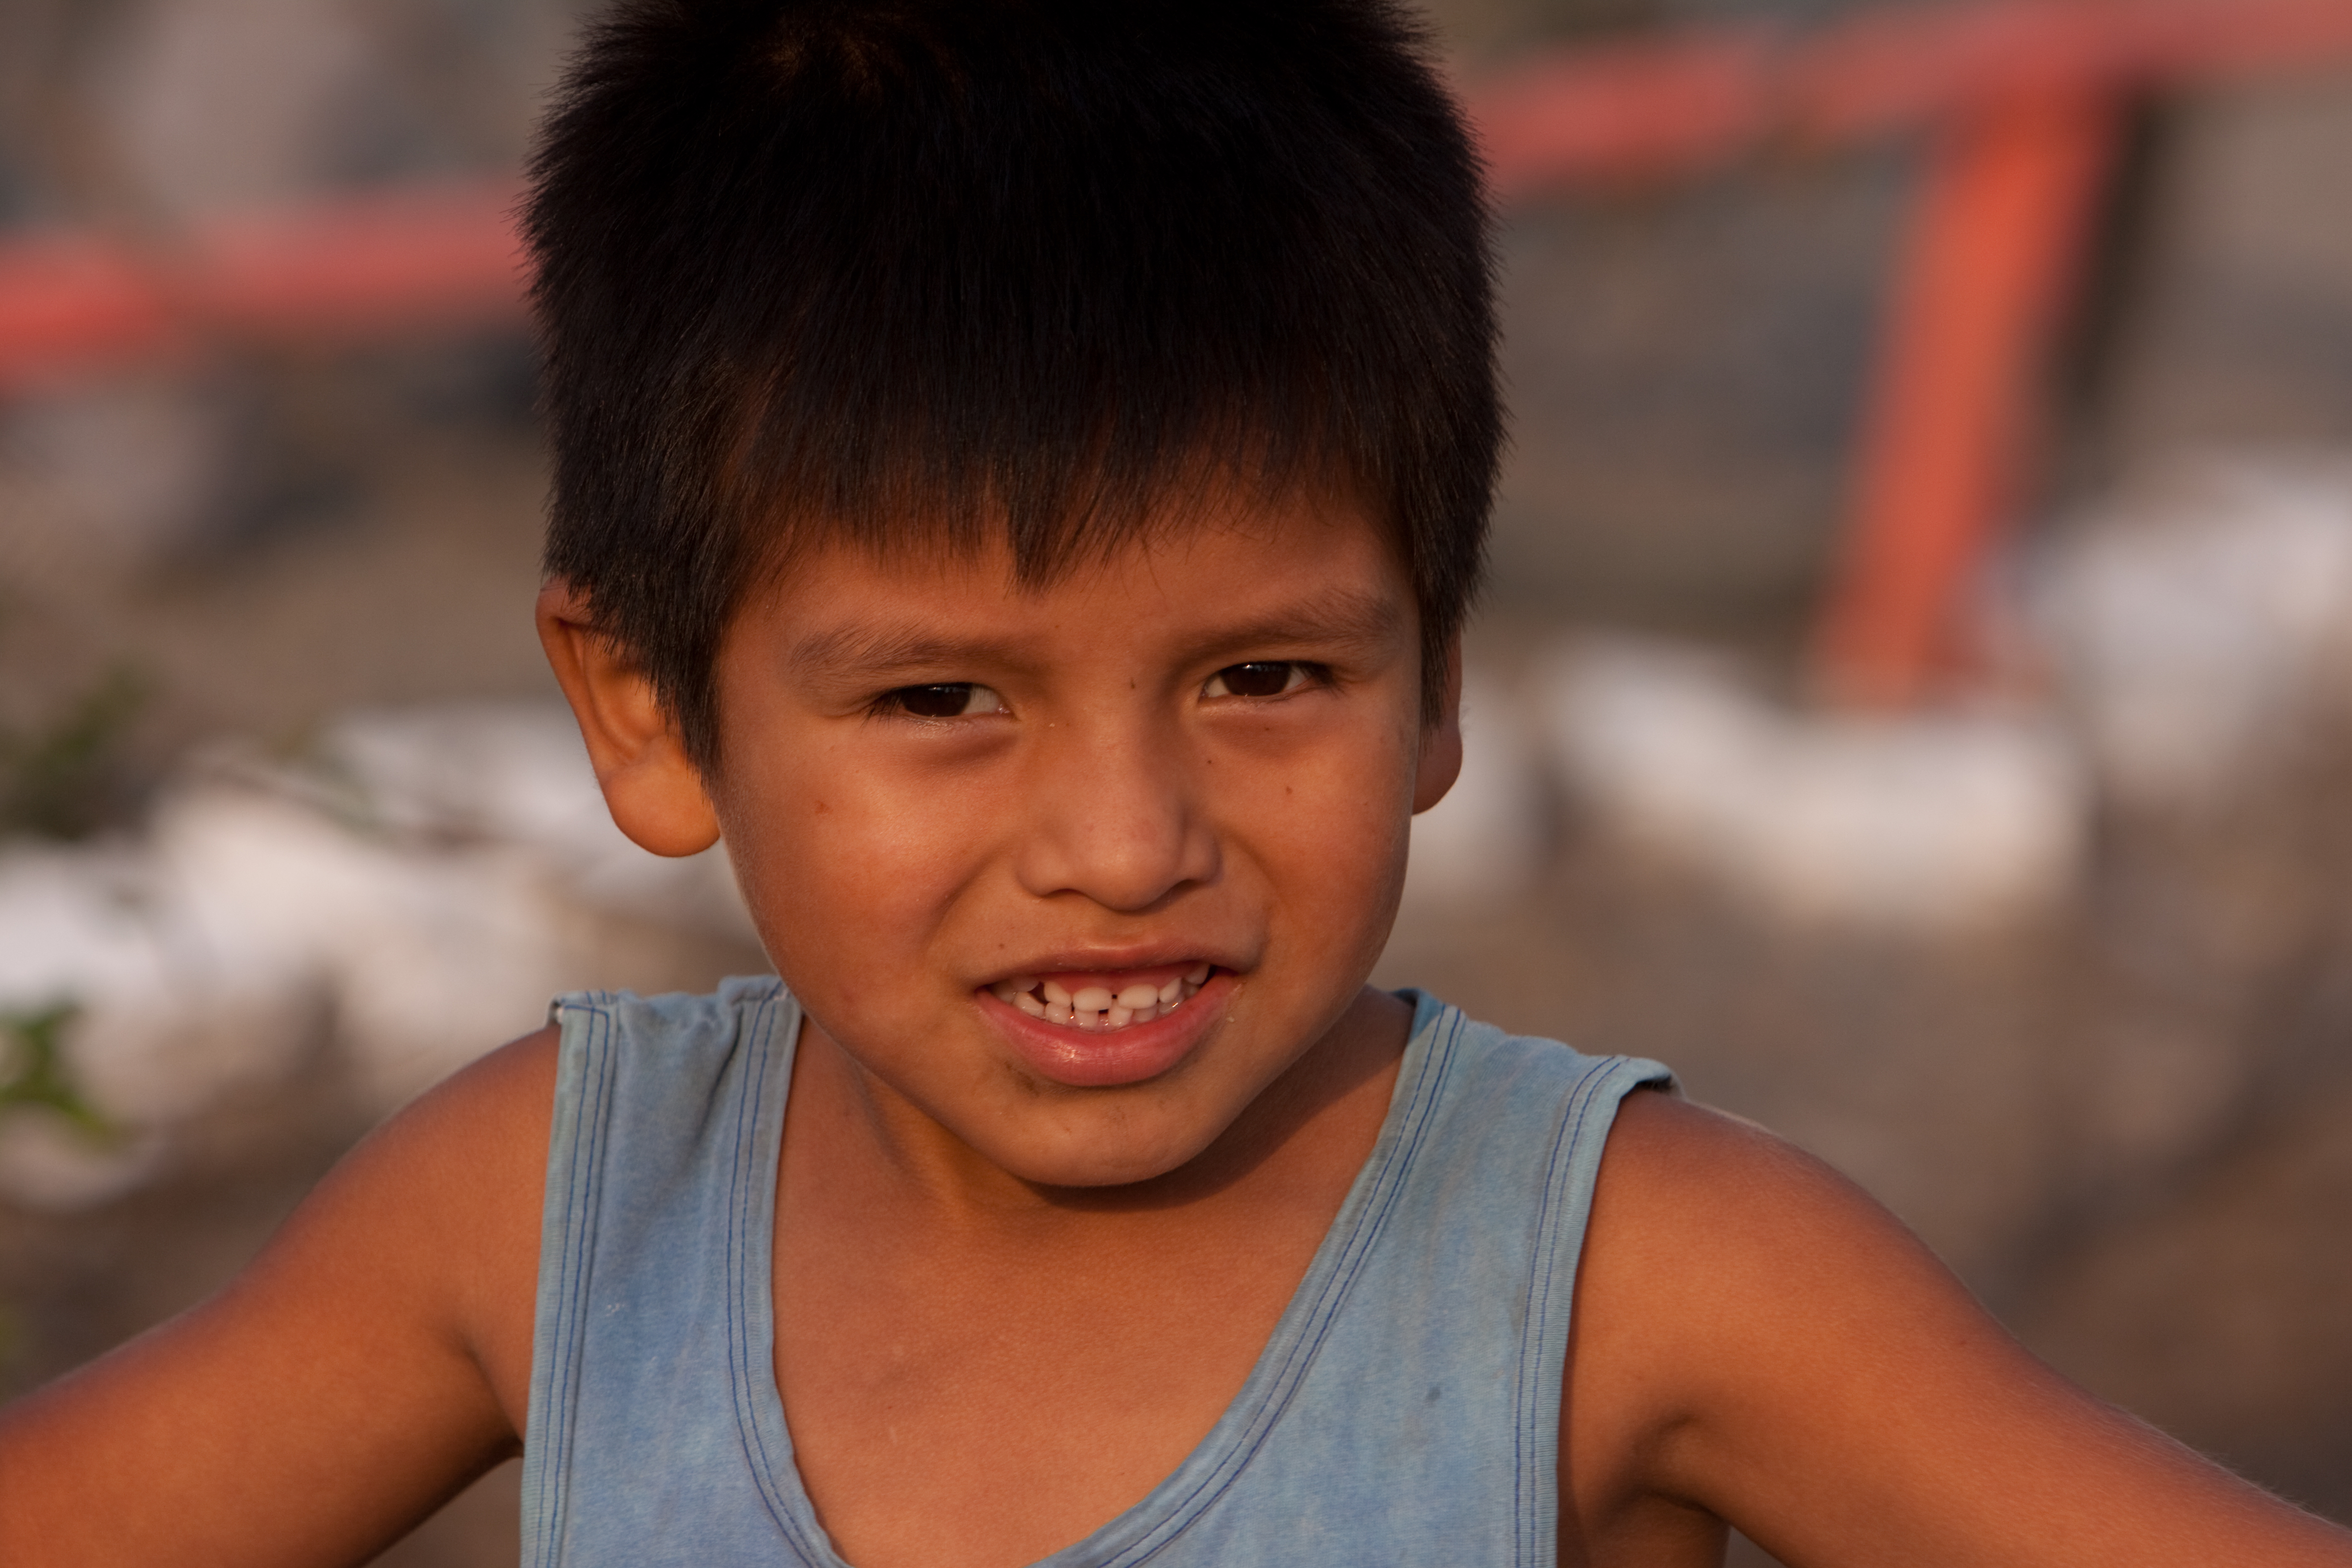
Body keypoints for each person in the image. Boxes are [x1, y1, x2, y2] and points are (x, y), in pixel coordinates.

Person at [2, 2, 2348, 1564]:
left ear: (1435, 678)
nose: (1126, 846)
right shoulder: (558, 1214)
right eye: (944, 701)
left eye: (1265, 677)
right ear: (646, 714)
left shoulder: (1632, 1275)